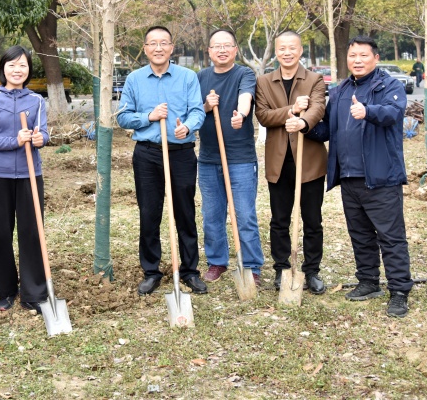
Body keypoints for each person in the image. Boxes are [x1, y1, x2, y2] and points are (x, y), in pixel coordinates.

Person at [307, 36, 412, 318]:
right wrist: (304, 125)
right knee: (361, 235)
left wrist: (368, 111)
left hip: (381, 177)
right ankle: (368, 281)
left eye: (363, 55)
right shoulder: (341, 90)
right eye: (353, 55)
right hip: (349, 177)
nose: (357, 60)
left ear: (375, 58)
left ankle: (400, 291)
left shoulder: (388, 85)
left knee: (390, 237)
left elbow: (393, 113)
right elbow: (327, 128)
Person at [116, 26, 207, 296]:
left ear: (171, 48)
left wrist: (187, 128)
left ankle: (190, 271)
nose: (158, 48)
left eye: (163, 43)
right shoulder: (134, 79)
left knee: (185, 213)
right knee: (149, 213)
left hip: (181, 153)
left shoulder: (187, 77)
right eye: (153, 43)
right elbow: (123, 116)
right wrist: (149, 117)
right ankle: (151, 271)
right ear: (145, 49)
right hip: (147, 154)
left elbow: (197, 111)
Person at [0, 46, 51, 312]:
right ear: (3, 69)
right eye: (12, 65)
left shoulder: (37, 101)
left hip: (31, 174)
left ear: (29, 69)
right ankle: (5, 289)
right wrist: (14, 141)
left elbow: (43, 132)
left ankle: (34, 291)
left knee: (32, 232)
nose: (17, 70)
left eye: (23, 65)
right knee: (1, 232)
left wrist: (42, 138)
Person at [254, 31, 327, 293]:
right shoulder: (263, 81)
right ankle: (282, 268)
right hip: (279, 161)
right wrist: (291, 111)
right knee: (279, 220)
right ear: (276, 52)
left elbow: (318, 107)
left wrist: (304, 122)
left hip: (309, 161)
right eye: (282, 48)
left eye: (292, 48)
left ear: (300, 51)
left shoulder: (315, 79)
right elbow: (262, 115)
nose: (287, 53)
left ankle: (312, 271)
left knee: (312, 219)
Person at [198, 29, 265, 286]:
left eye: (227, 46)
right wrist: (206, 105)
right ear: (209, 51)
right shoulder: (201, 77)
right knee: (212, 213)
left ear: (236, 50)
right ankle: (217, 261)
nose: (222, 50)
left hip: (241, 159)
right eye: (217, 46)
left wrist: (241, 115)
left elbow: (245, 97)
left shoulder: (244, 73)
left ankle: (251, 266)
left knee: (244, 213)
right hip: (207, 158)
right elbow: (193, 110)